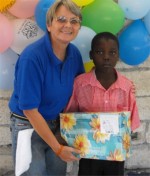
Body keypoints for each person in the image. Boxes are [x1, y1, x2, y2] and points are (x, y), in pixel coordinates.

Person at [8, 0, 85, 175]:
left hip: (58, 124)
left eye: (74, 21)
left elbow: (82, 88)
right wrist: (57, 148)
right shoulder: (32, 57)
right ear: (49, 25)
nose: (68, 25)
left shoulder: (74, 54)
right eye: (62, 19)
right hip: (27, 124)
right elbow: (29, 110)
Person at [64, 32, 141, 176]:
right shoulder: (80, 84)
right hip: (89, 154)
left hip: (116, 155)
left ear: (118, 55)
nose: (106, 57)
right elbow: (70, 118)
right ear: (91, 55)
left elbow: (131, 123)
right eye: (100, 52)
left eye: (112, 52)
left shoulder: (126, 87)